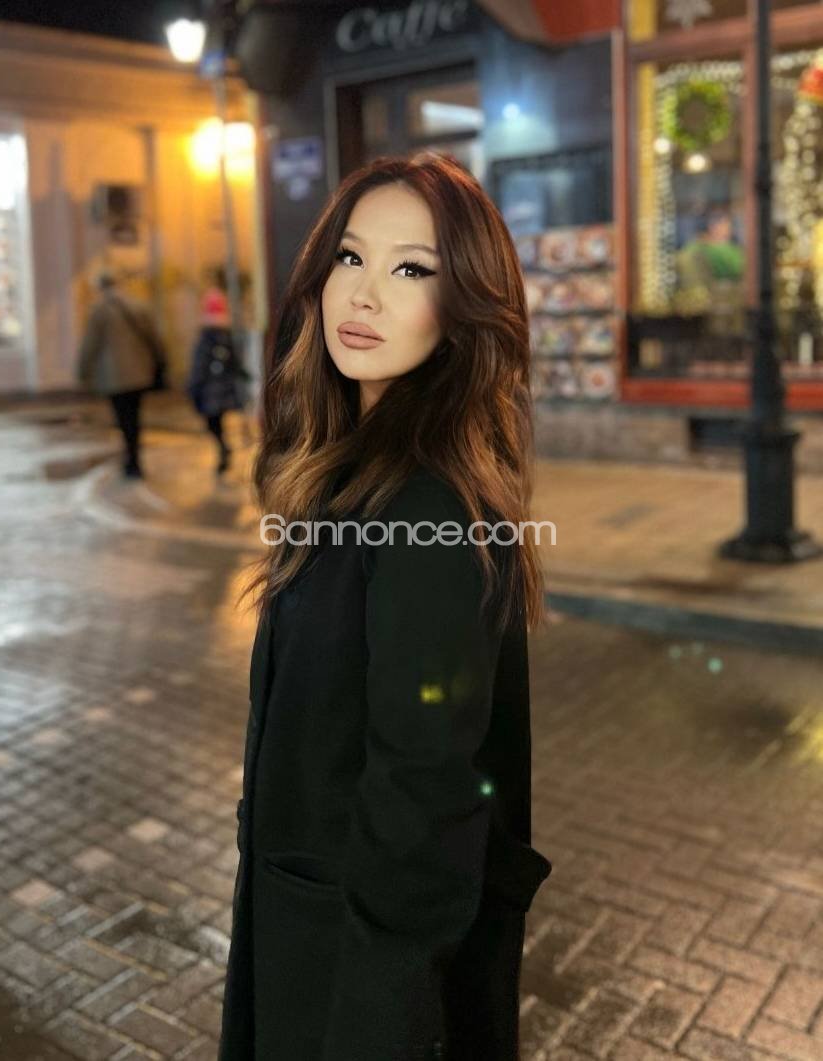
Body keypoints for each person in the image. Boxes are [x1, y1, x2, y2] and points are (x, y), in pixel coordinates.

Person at [218, 153, 552, 1061]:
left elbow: (424, 792)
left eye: (411, 269)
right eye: (350, 257)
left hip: (354, 972)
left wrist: (378, 1011)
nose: (362, 295)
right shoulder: (349, 469)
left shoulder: (426, 507)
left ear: (463, 307)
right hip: (310, 921)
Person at [76, 269, 168, 479]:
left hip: (114, 376)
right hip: (139, 372)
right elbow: (155, 338)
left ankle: (132, 460)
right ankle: (134, 457)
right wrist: (161, 362)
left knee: (123, 417)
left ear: (100, 287)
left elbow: (90, 344)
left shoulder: (99, 310)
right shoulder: (138, 306)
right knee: (134, 415)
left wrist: (82, 372)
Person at [185, 286, 251, 475]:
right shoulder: (227, 337)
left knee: (213, 423)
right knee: (217, 422)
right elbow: (235, 363)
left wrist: (192, 387)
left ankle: (223, 448)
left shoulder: (205, 339)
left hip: (209, 391)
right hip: (224, 388)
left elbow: (199, 366)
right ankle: (223, 447)